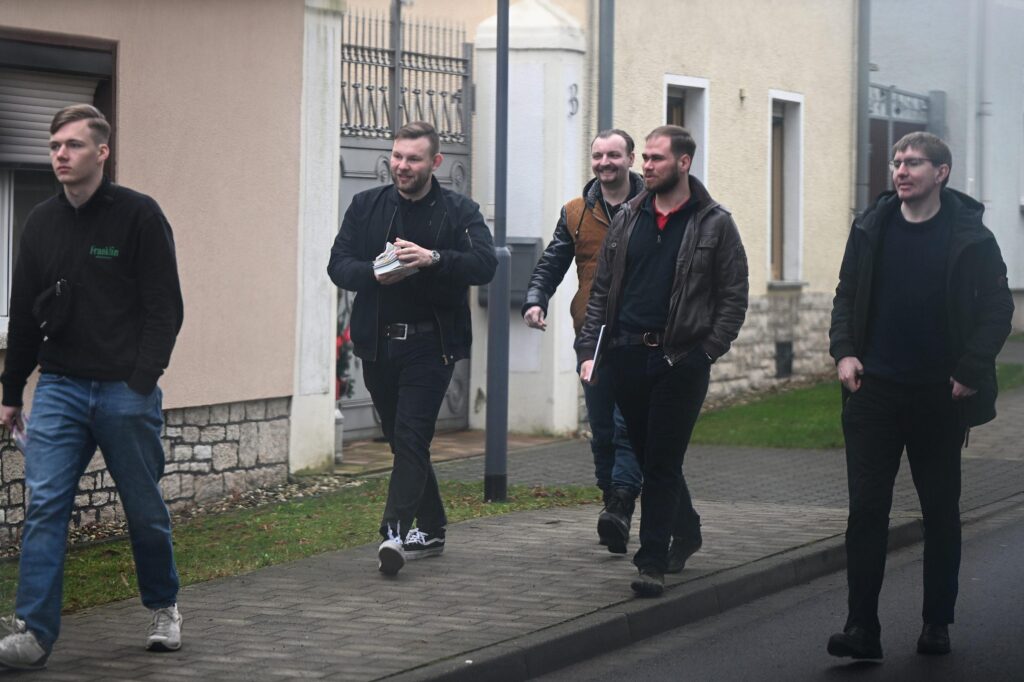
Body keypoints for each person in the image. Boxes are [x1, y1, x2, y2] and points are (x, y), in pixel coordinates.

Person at [0, 104, 185, 669]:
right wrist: (11, 394)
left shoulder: (138, 217)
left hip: (123, 393)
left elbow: (165, 309)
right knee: (46, 505)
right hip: (58, 387)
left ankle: (164, 606)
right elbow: (25, 316)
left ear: (101, 152)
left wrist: (141, 380)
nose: (60, 154)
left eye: (73, 145)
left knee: (143, 508)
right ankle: (32, 632)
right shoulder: (40, 223)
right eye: (55, 145)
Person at [827, 132, 1013, 659]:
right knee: (866, 511)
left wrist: (971, 368)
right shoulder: (871, 228)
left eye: (914, 163)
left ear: (942, 172)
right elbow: (845, 296)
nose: (901, 171)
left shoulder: (971, 237)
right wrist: (843, 353)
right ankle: (862, 628)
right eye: (897, 162)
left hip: (939, 396)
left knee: (940, 512)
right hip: (873, 393)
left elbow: (999, 308)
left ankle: (937, 622)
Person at [577, 125, 749, 597]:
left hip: (680, 359)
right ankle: (687, 528)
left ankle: (650, 560)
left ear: (684, 162)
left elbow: (733, 297)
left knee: (662, 461)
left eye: (655, 158)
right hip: (626, 355)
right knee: (654, 457)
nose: (646, 166)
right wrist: (592, 350)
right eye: (646, 158)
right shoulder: (628, 218)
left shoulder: (715, 222)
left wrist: (705, 353)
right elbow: (602, 293)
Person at [327, 121, 496, 577]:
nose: (402, 166)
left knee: (412, 434)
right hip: (379, 345)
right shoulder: (367, 206)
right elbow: (338, 265)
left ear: (435, 163)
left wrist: (433, 259)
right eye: (397, 156)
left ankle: (394, 532)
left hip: (431, 344)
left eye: (413, 159)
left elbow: (485, 264)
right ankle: (434, 525)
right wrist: (374, 274)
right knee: (403, 439)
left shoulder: (459, 211)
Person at [522, 129, 644, 554]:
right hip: (591, 337)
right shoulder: (576, 212)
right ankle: (614, 505)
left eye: (614, 154)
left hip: (642, 338)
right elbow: (553, 262)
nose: (605, 162)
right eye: (598, 155)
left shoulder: (652, 209)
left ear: (631, 158)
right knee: (604, 429)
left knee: (631, 428)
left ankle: (622, 504)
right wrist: (536, 299)